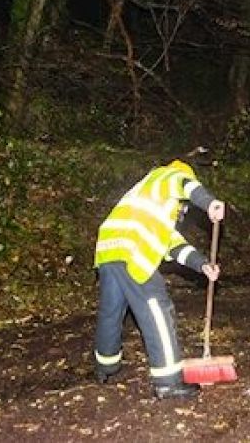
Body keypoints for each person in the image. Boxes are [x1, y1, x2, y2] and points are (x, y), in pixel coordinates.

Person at [93, 159, 225, 400]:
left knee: (111, 311)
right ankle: (168, 381)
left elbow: (174, 246)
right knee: (157, 308)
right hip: (131, 250)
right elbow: (183, 184)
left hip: (108, 249)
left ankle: (106, 366)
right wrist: (209, 203)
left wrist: (203, 265)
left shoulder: (150, 203)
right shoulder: (164, 177)